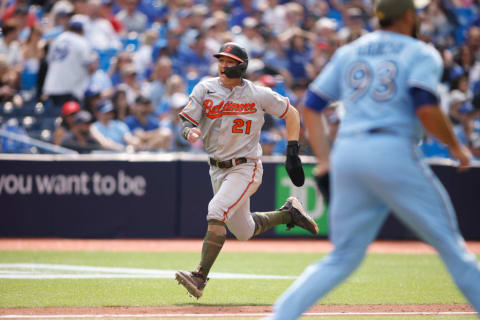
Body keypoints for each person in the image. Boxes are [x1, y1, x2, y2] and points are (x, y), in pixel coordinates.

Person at [266, 1, 480, 319]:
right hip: (391, 149)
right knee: (452, 248)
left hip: (348, 153)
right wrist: (457, 147)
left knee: (342, 257)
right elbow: (425, 107)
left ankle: (277, 317)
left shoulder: (351, 51)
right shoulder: (420, 51)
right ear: (409, 15)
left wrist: (324, 161)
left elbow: (311, 105)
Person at [175, 42, 318, 299]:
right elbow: (186, 120)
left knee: (216, 211)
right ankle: (289, 214)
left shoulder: (257, 94)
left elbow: (292, 113)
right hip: (217, 169)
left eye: (229, 62)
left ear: (241, 66)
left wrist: (293, 151)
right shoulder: (205, 88)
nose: (223, 66)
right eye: (221, 60)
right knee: (244, 231)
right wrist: (189, 131)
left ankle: (199, 277)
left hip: (246, 166)